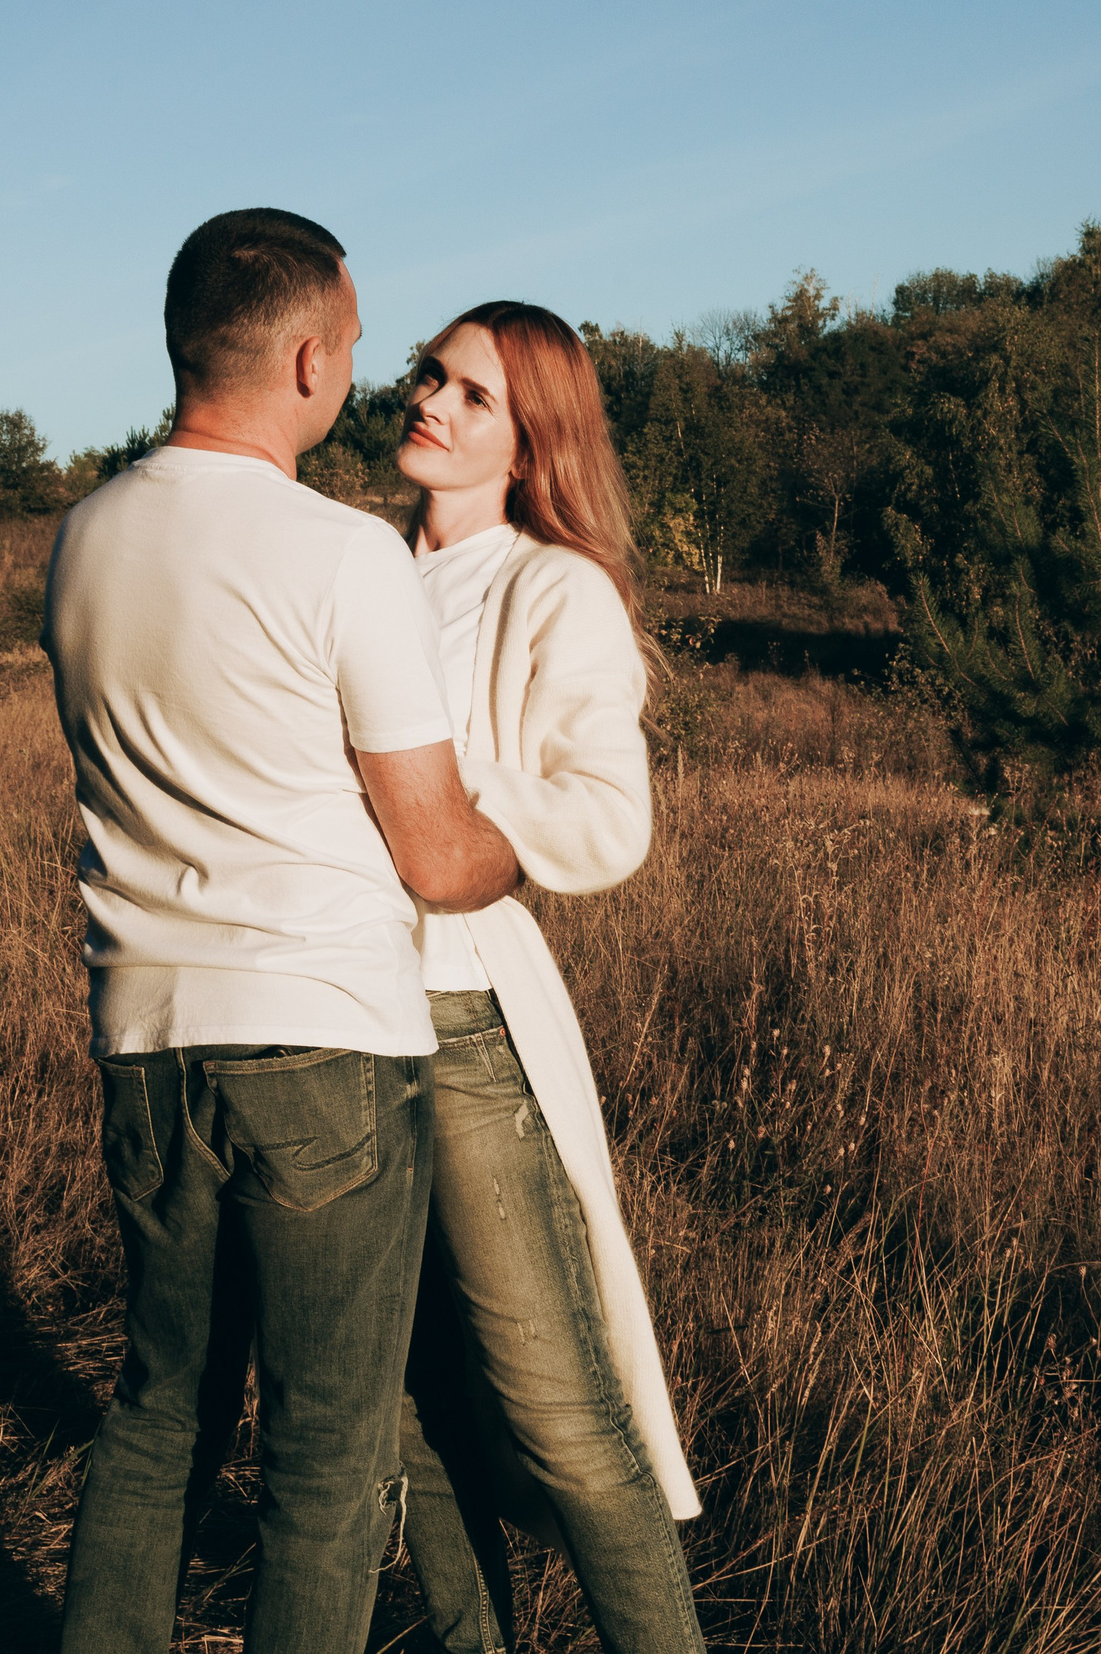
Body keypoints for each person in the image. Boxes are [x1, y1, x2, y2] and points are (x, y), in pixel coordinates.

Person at [42, 209, 518, 1654]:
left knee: (155, 1420)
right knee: (324, 1461)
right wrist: (523, 852)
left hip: (146, 1045)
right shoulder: (341, 554)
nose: (362, 372)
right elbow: (438, 853)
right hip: (319, 1046)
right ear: (307, 353)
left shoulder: (85, 537)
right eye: (360, 344)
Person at [389, 302, 706, 1654]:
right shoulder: (355, 563)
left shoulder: (548, 585)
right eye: (428, 374)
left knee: (561, 1405)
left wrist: (433, 799)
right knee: (402, 1401)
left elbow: (607, 815)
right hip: (320, 1019)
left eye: (474, 396)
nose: (432, 404)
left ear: (529, 446)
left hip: (459, 1009)